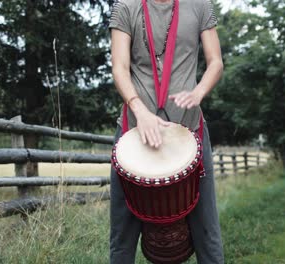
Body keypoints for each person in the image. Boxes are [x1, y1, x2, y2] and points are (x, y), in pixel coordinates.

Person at [108, 0, 224, 263]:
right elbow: (119, 67)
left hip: (190, 129)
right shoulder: (125, 7)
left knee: (207, 231)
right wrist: (140, 110)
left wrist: (199, 91)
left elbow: (215, 62)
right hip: (134, 134)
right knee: (122, 235)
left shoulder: (200, 5)